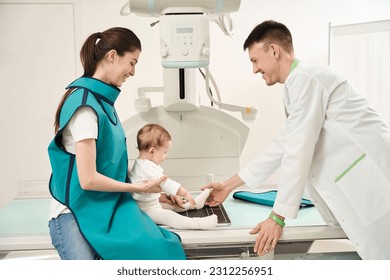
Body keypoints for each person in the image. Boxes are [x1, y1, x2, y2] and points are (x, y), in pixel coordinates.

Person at [203, 20, 390, 260]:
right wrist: (228, 185)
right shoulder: (299, 84)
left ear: (274, 51)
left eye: (254, 60)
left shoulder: (307, 79)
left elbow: (297, 149)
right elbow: (282, 146)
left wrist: (277, 216)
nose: (254, 69)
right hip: (362, 187)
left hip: (369, 186)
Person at [47, 27, 186, 260]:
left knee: (159, 248)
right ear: (112, 56)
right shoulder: (85, 108)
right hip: (73, 211)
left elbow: (110, 167)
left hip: (103, 206)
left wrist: (153, 196)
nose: (132, 71)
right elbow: (88, 179)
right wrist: (138, 188)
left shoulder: (102, 103)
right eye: (131, 62)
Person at [129, 124, 218, 230]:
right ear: (152, 151)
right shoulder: (146, 167)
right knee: (169, 216)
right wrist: (186, 194)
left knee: (174, 206)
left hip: (153, 203)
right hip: (145, 209)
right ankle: (197, 223)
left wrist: (170, 195)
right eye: (164, 152)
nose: (166, 155)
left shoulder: (143, 163)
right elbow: (166, 183)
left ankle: (195, 204)